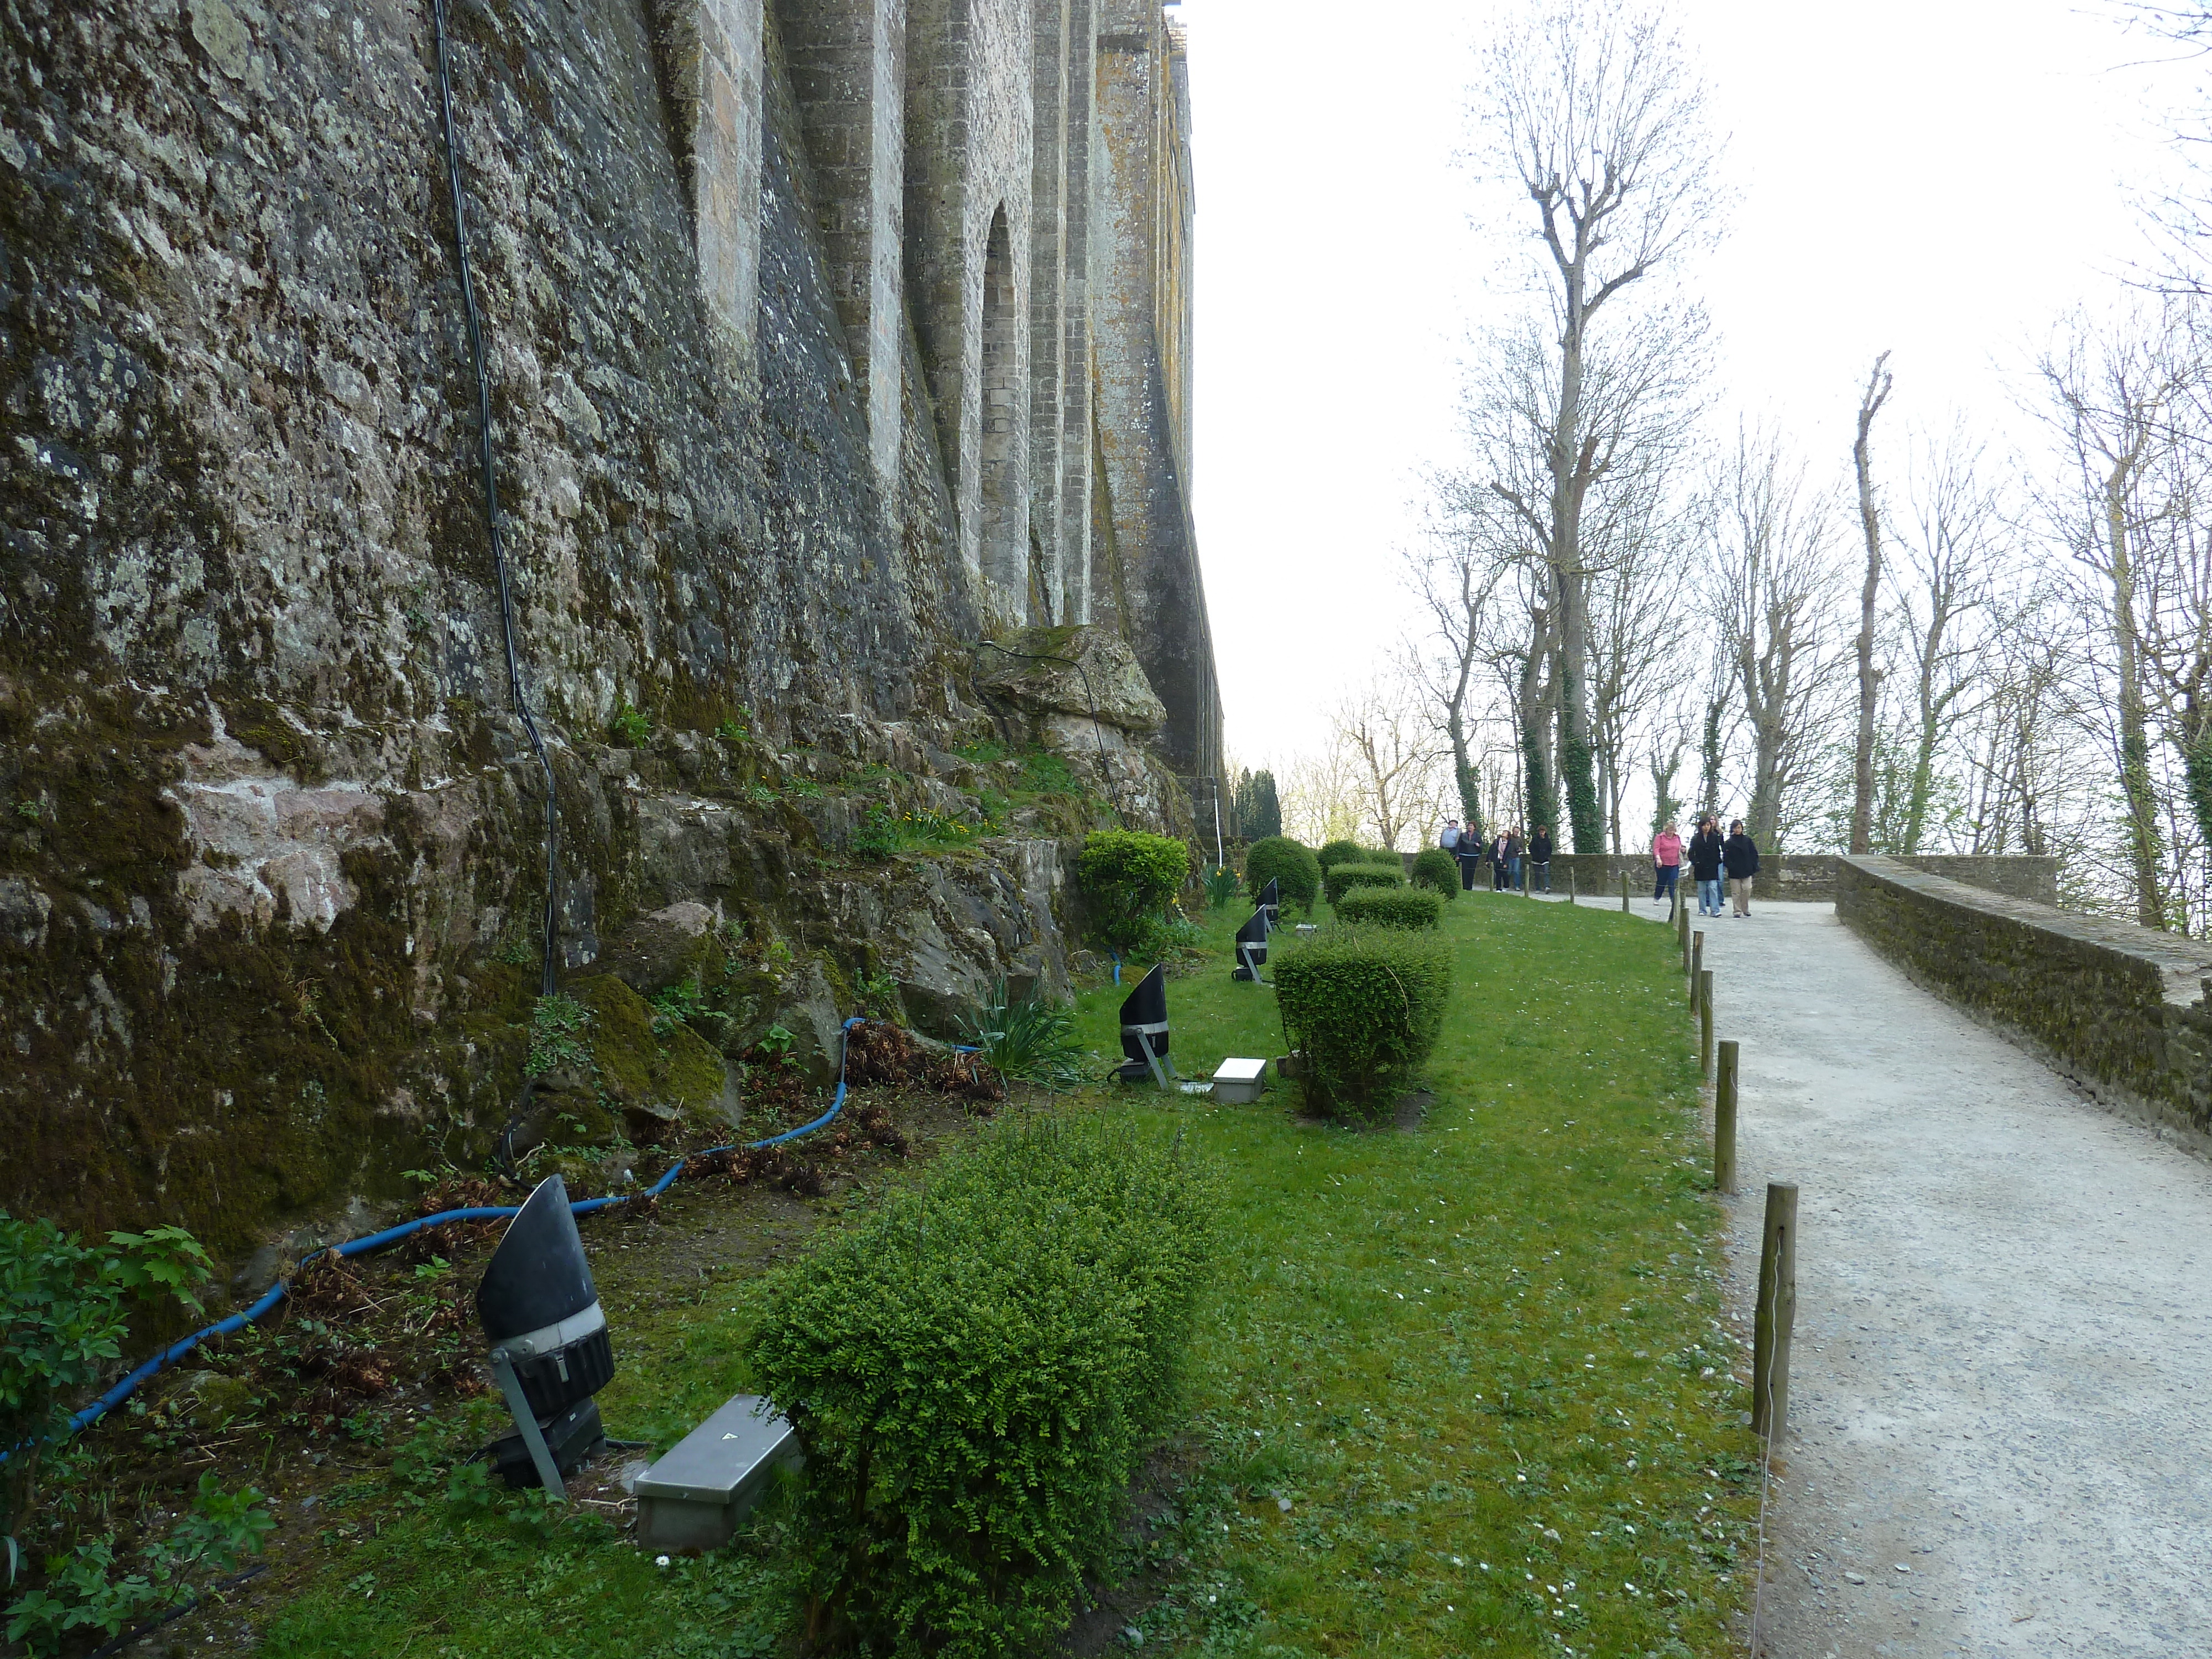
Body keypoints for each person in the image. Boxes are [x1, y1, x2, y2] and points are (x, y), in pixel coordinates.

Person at [1687, 816, 1725, 918]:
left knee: (1713, 888)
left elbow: (1718, 851)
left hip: (1712, 867)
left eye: (1708, 825)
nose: (1706, 827)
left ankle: (1715, 910)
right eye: (1704, 825)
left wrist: (1717, 861)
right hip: (1700, 868)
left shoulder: (1714, 837)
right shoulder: (1696, 838)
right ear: (1701, 826)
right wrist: (1696, 862)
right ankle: (1702, 910)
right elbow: (1691, 853)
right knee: (1702, 890)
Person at [1723, 819, 1761, 917]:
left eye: (1739, 827)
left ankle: (1745, 908)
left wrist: (1754, 865)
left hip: (1747, 869)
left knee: (1747, 889)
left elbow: (1754, 854)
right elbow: (1726, 858)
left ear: (1742, 828)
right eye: (1735, 828)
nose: (1737, 830)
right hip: (1734, 871)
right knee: (1736, 892)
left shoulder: (1748, 840)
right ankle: (1737, 911)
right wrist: (1731, 866)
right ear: (1732, 829)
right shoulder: (1729, 843)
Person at [1652, 821, 1682, 906]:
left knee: (1673, 882)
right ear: (1666, 830)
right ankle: (1657, 897)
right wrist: (1658, 859)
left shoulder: (1677, 837)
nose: (1671, 832)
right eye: (1670, 830)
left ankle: (1674, 900)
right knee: (1662, 882)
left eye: (1673, 830)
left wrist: (1683, 850)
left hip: (1674, 864)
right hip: (1662, 863)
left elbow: (1679, 848)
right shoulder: (1660, 837)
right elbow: (1656, 849)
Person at [1456, 823, 1483, 891]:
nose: (1470, 827)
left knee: (1471, 871)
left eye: (1471, 826)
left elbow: (1482, 845)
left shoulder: (1478, 836)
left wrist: (1479, 845)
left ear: (1474, 828)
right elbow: (1459, 845)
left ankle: (1469, 887)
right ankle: (1464, 886)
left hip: (1474, 856)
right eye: (1469, 826)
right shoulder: (1463, 835)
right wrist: (1457, 855)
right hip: (1464, 855)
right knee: (1464, 871)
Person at [1528, 825, 1553, 894]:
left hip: (1545, 860)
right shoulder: (1535, 839)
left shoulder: (1547, 840)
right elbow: (1531, 848)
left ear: (1545, 832)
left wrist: (1547, 856)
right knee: (1537, 874)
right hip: (1536, 860)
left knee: (1546, 873)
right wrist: (1535, 856)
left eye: (1543, 832)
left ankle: (1547, 887)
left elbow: (1550, 849)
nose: (1542, 833)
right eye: (1540, 832)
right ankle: (1537, 888)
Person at [1501, 825, 1524, 893]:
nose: (1516, 833)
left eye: (1518, 832)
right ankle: (1506, 885)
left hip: (1516, 857)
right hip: (1509, 857)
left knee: (1517, 872)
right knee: (1508, 872)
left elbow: (1522, 847)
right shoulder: (1510, 838)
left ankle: (1517, 886)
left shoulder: (1519, 839)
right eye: (1515, 832)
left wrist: (1520, 850)